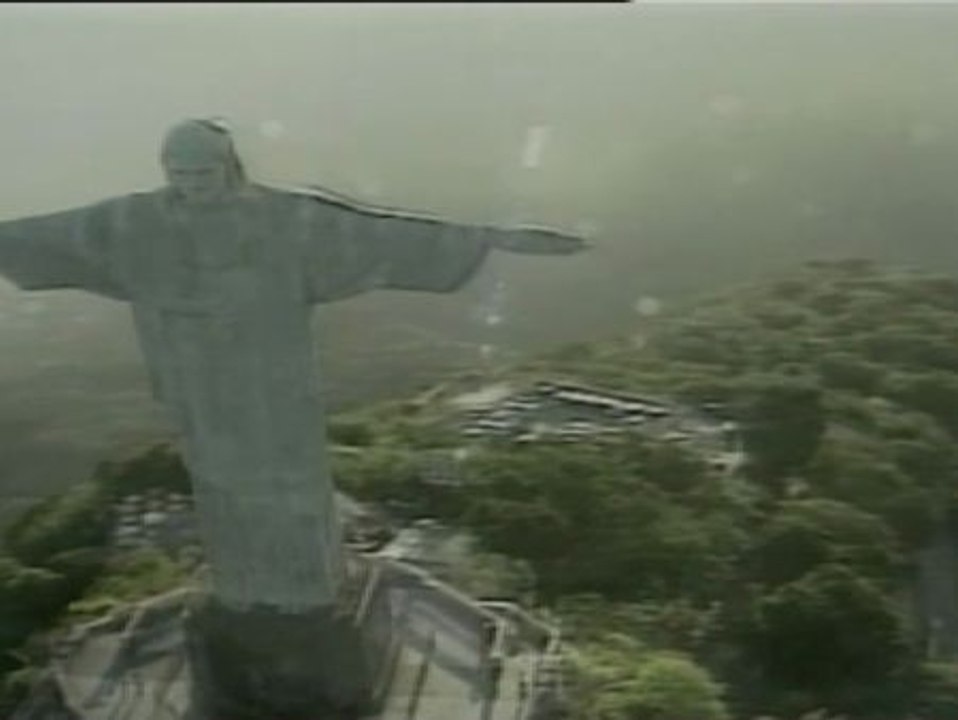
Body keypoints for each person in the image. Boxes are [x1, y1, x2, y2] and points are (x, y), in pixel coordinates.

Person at [0, 118, 589, 614]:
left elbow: (377, 231)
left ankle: (308, 596)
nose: (192, 186)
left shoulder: (283, 218)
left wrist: (493, 238)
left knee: (291, 485)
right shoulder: (131, 222)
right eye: (179, 175)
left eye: (203, 173)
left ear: (230, 167)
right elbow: (44, 236)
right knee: (221, 486)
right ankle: (245, 595)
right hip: (199, 385)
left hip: (273, 379)